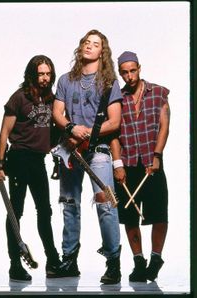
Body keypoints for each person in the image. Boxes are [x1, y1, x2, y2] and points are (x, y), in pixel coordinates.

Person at [52, 29, 123, 284]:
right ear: (81, 46)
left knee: (106, 205)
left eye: (95, 44)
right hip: (70, 150)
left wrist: (88, 132)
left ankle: (113, 262)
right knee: (69, 206)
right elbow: (57, 112)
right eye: (86, 42)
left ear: (102, 52)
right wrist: (71, 128)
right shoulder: (65, 80)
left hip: (99, 153)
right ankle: (69, 260)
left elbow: (115, 122)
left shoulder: (108, 82)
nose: (89, 46)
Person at [0, 55, 63, 282]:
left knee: (45, 211)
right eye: (41, 74)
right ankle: (15, 265)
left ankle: (53, 261)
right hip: (19, 159)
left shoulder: (51, 99)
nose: (44, 78)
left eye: (48, 74)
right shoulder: (19, 98)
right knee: (16, 212)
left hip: (37, 161)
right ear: (32, 74)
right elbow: (4, 133)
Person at [110, 51, 170, 282]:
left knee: (158, 213)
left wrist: (157, 155)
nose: (129, 76)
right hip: (128, 163)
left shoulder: (158, 93)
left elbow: (164, 126)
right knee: (129, 214)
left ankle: (156, 258)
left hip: (151, 161)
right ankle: (138, 261)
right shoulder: (117, 98)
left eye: (132, 70)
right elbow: (113, 134)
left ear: (139, 68)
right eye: (124, 72)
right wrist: (118, 165)